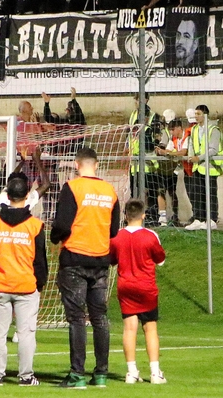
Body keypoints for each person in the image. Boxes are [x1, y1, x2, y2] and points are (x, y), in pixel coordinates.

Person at [51, 147, 120, 389]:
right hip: (100, 260)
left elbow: (62, 223)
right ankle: (101, 373)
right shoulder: (109, 191)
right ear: (97, 165)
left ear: (77, 165)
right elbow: (113, 230)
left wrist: (54, 237)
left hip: (75, 259)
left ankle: (77, 374)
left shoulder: (72, 188)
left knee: (77, 318)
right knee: (100, 318)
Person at [0, 175, 48, 387]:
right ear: (27, 196)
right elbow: (40, 259)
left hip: (1, 283)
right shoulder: (35, 225)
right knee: (26, 334)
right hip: (26, 285)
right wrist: (40, 283)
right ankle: (26, 376)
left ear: (7, 196)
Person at [109, 198, 167, 385]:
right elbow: (160, 259)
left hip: (126, 286)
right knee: (150, 328)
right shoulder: (151, 236)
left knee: (129, 329)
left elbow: (111, 259)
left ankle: (132, 372)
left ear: (125, 216)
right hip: (146, 286)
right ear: (143, 215)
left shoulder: (117, 237)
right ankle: (155, 372)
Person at [185, 105, 223, 231]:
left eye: (198, 113)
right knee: (197, 194)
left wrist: (199, 157)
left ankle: (212, 219)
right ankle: (198, 218)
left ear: (205, 115)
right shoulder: (195, 129)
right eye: (195, 113)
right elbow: (191, 144)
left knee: (210, 193)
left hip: (210, 167)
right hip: (198, 167)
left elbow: (213, 149)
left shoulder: (213, 129)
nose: (196, 116)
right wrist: (191, 156)